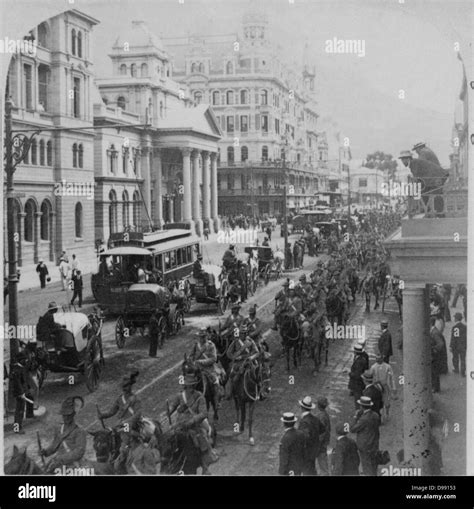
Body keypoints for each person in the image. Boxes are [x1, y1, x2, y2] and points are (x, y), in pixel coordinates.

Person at [168, 374, 214, 475]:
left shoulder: (199, 396)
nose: (190, 388)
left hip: (195, 424)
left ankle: (204, 467)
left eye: (192, 386)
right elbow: (173, 406)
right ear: (185, 386)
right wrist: (170, 410)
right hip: (180, 423)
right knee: (170, 438)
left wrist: (193, 420)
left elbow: (203, 413)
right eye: (189, 386)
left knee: (201, 440)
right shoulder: (180, 396)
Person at [41, 396, 87, 473]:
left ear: (73, 415)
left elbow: (79, 452)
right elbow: (54, 445)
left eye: (68, 415)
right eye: (64, 415)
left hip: (73, 465)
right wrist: (45, 452)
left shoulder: (79, 431)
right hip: (58, 463)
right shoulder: (59, 428)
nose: (65, 418)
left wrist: (61, 458)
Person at [98, 371, 142, 449]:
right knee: (110, 434)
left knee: (126, 432)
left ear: (130, 386)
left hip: (133, 423)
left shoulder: (135, 399)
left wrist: (128, 421)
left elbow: (138, 414)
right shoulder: (119, 399)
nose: (124, 388)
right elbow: (112, 412)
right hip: (121, 423)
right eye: (123, 387)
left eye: (126, 386)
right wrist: (103, 415)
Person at [189, 328, 224, 407]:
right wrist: (191, 361)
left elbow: (213, 359)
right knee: (189, 380)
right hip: (197, 369)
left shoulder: (211, 345)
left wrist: (201, 362)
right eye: (200, 337)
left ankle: (217, 402)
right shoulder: (196, 345)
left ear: (206, 337)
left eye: (203, 336)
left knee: (216, 382)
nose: (202, 338)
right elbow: (191, 356)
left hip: (209, 369)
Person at [350, 396, 380, 476]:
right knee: (374, 466)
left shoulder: (364, 419)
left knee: (367, 467)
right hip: (374, 444)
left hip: (365, 446)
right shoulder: (376, 415)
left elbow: (352, 429)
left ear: (361, 406)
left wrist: (355, 416)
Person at [10, 351, 34, 434]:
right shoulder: (17, 369)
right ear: (20, 360)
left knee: (20, 410)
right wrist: (21, 393)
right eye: (24, 360)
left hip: (22, 392)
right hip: (19, 393)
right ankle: (17, 428)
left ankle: (18, 427)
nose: (26, 361)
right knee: (19, 411)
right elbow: (17, 383)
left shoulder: (20, 368)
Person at [297, 396, 321, 476]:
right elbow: (322, 429)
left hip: (306, 451)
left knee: (307, 471)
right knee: (312, 469)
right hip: (314, 449)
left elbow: (304, 437)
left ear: (301, 407)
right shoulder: (315, 419)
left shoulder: (304, 422)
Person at [369, 355, 396, 422]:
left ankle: (387, 413)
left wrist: (393, 387)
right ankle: (379, 417)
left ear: (382, 359)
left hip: (385, 386)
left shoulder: (387, 366)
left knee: (386, 402)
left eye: (379, 359)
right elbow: (370, 376)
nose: (377, 360)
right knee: (377, 402)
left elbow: (391, 377)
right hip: (376, 387)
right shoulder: (373, 367)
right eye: (376, 359)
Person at [348, 344, 369, 408]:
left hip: (356, 383)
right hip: (359, 382)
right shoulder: (361, 359)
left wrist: (350, 373)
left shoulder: (359, 362)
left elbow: (357, 375)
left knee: (357, 399)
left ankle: (358, 412)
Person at [316, 396, 331, 475]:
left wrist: (318, 442)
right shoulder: (324, 414)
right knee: (322, 459)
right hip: (324, 440)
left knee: (322, 459)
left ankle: (324, 473)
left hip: (321, 441)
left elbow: (322, 432)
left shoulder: (321, 416)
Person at [430, 318, 445, 393]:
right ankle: (436, 387)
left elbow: (440, 344)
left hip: (435, 356)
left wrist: (433, 349)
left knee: (434, 372)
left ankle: (435, 388)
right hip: (435, 356)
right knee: (434, 372)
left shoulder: (434, 333)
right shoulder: (434, 331)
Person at [450, 312, 466, 377]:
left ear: (456, 319)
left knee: (455, 357)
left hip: (456, 346)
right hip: (463, 345)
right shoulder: (465, 327)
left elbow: (453, 338)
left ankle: (456, 369)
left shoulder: (455, 327)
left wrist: (451, 346)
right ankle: (463, 372)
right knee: (463, 359)